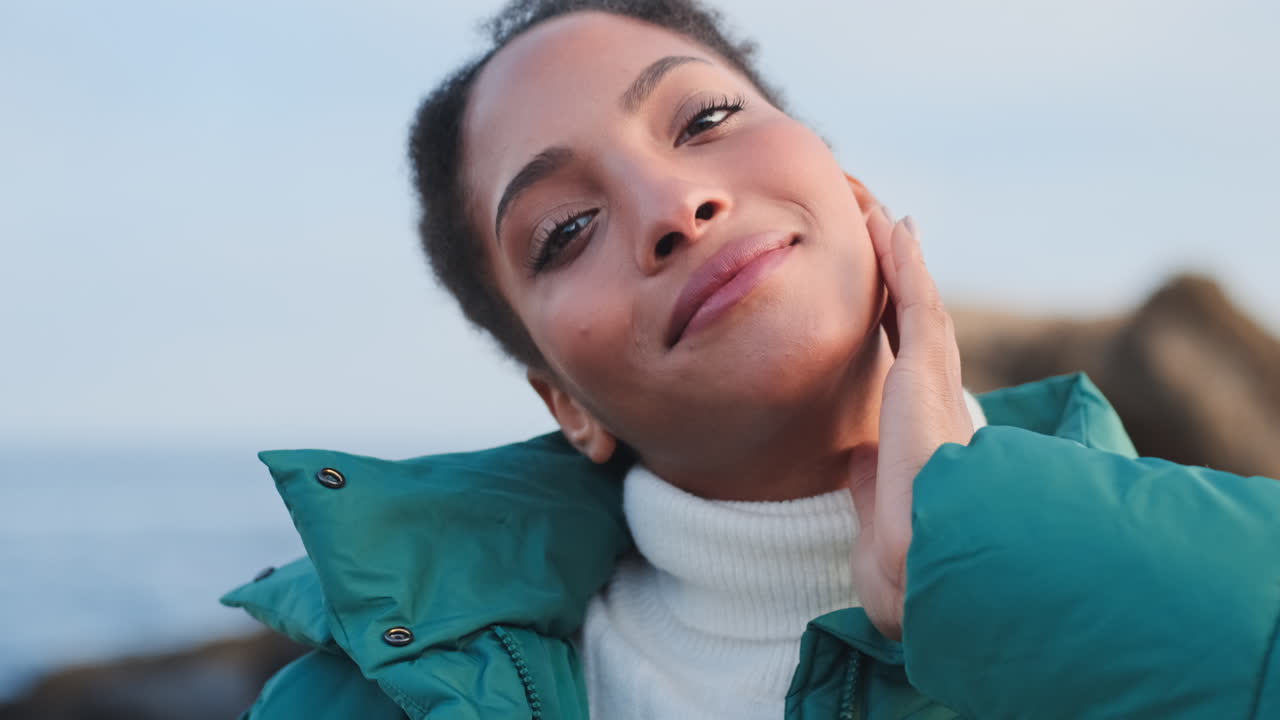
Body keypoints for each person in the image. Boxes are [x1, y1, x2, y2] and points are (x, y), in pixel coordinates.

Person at [222, 1, 1280, 718]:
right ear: (565, 403)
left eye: (708, 118)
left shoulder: (1163, 566)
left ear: (841, 180)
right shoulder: (349, 704)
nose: (671, 206)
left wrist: (985, 550)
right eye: (564, 231)